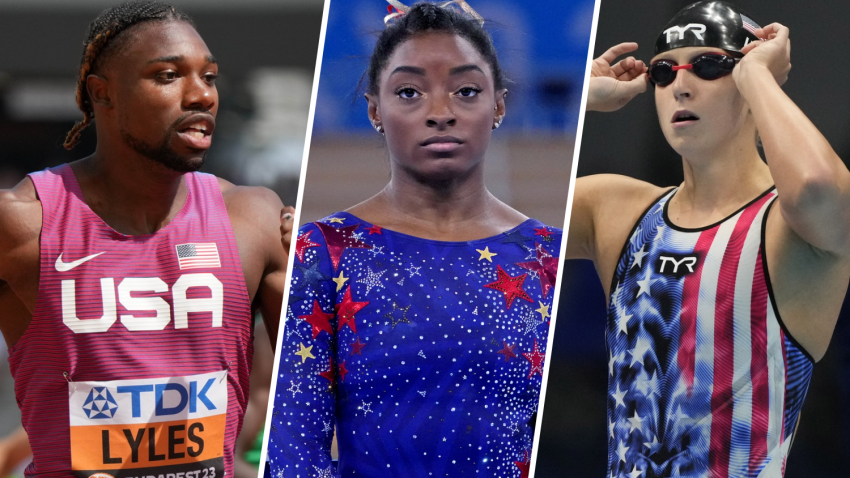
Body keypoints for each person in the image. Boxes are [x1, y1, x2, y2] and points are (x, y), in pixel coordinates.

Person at [266, 1, 562, 477]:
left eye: (466, 91)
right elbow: (294, 443)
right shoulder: (324, 252)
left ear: (499, 105)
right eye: (409, 92)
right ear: (374, 110)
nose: (440, 113)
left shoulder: (549, 257)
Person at [0, 2, 294, 476]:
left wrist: (324, 269)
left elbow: (327, 386)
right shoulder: (21, 223)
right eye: (168, 75)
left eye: (210, 77)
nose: (200, 95)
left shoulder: (254, 219)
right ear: (103, 93)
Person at [571, 1, 850, 476]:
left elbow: (817, 187)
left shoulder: (788, 228)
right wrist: (581, 98)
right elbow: (479, 200)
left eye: (709, 66)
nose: (680, 85)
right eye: (663, 72)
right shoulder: (615, 210)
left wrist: (761, 77)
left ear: (748, 79)